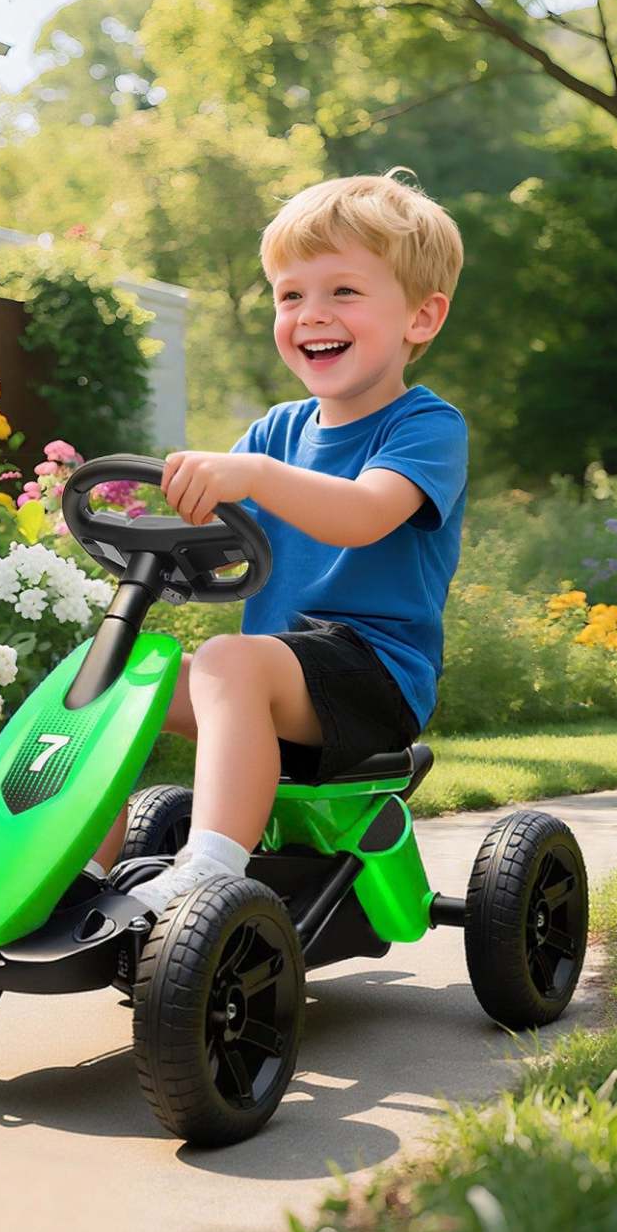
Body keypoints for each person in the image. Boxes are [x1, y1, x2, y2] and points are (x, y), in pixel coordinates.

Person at [88, 169, 468, 916]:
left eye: (342, 292)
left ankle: (211, 865)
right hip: (272, 681)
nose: (310, 314)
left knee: (230, 658)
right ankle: (78, 870)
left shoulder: (425, 428)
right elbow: (223, 540)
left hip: (371, 679)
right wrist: (167, 535)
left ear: (419, 318)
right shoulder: (276, 429)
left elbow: (360, 515)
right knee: (113, 670)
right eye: (290, 294)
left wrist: (255, 474)